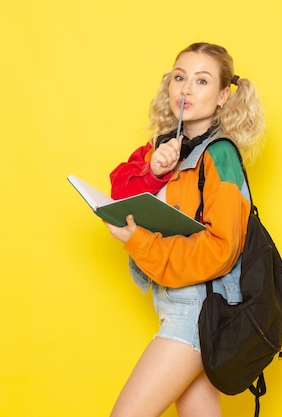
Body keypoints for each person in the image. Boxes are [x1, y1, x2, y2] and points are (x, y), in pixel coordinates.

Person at [104, 42, 265, 417]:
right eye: (180, 77)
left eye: (201, 80)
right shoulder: (166, 146)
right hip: (175, 301)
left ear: (224, 95)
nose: (186, 88)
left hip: (197, 308)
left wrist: (140, 242)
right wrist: (154, 171)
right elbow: (119, 193)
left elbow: (222, 248)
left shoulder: (219, 155)